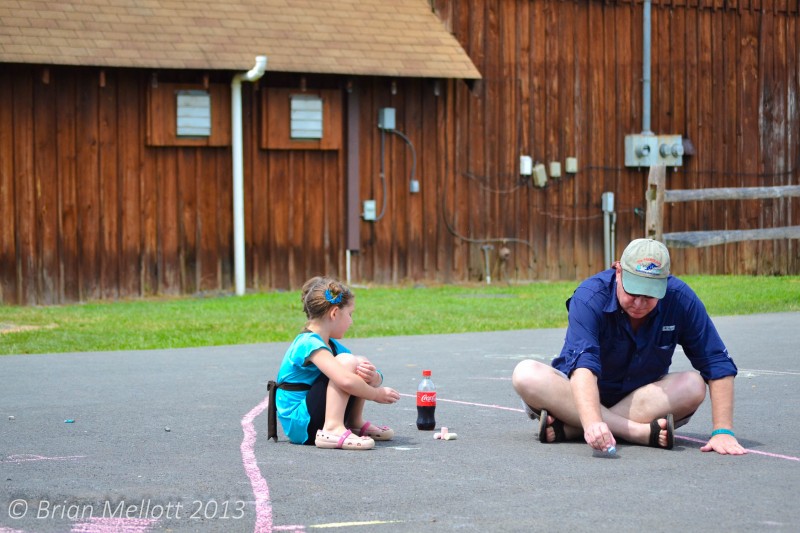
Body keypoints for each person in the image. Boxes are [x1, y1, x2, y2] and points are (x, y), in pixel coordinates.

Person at [512, 238, 746, 456]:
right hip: (578, 395)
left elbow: (716, 361)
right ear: (618, 270)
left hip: (641, 399)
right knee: (526, 374)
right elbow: (584, 367)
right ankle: (636, 432)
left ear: (665, 282)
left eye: (650, 295)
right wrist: (593, 423)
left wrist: (723, 431)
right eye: (633, 291)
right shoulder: (589, 296)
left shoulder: (681, 299)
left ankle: (571, 428)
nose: (639, 303)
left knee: (694, 385)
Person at [267, 276, 400, 450]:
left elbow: (356, 370)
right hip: (301, 424)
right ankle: (332, 429)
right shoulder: (307, 343)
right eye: (350, 314)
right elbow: (345, 380)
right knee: (347, 362)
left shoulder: (333, 346)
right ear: (335, 313)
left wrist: (374, 377)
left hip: (311, 416)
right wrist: (376, 394)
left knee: (358, 361)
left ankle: (354, 422)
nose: (351, 321)